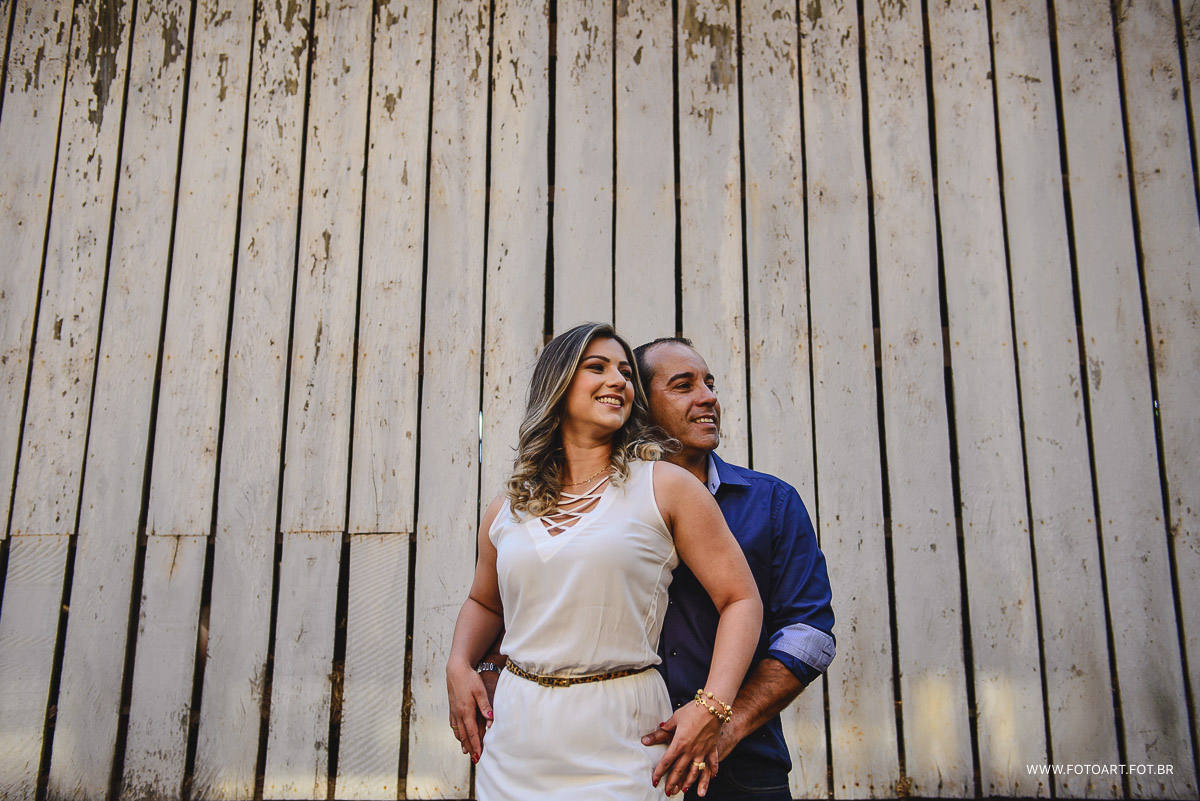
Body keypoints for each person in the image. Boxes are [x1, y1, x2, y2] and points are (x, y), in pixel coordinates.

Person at [445, 322, 763, 800]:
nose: (618, 380)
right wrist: (459, 663)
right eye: (597, 367)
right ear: (557, 383)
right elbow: (485, 603)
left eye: (625, 373)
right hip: (514, 737)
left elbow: (740, 599)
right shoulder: (508, 506)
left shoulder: (665, 487)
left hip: (623, 734)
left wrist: (713, 706)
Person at [634, 337, 835, 801]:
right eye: (683, 385)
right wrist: (484, 665)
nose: (708, 397)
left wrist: (726, 723)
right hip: (625, 756)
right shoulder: (605, 506)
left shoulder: (772, 502)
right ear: (640, 406)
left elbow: (809, 634)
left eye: (710, 384)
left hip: (741, 766)